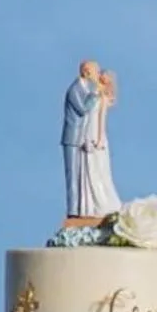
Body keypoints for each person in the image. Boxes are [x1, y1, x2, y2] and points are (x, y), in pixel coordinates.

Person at [61, 60, 105, 221]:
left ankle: (81, 208)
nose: (97, 75)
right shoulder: (75, 89)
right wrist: (95, 95)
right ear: (86, 72)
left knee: (81, 176)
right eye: (95, 72)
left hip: (81, 137)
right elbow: (83, 109)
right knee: (72, 174)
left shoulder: (85, 88)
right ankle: (73, 210)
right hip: (73, 138)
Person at [82, 70, 123, 217]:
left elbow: (101, 121)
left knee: (98, 169)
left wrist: (100, 139)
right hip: (88, 133)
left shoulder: (103, 99)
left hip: (95, 135)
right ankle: (92, 202)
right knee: (89, 169)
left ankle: (103, 202)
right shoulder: (94, 97)